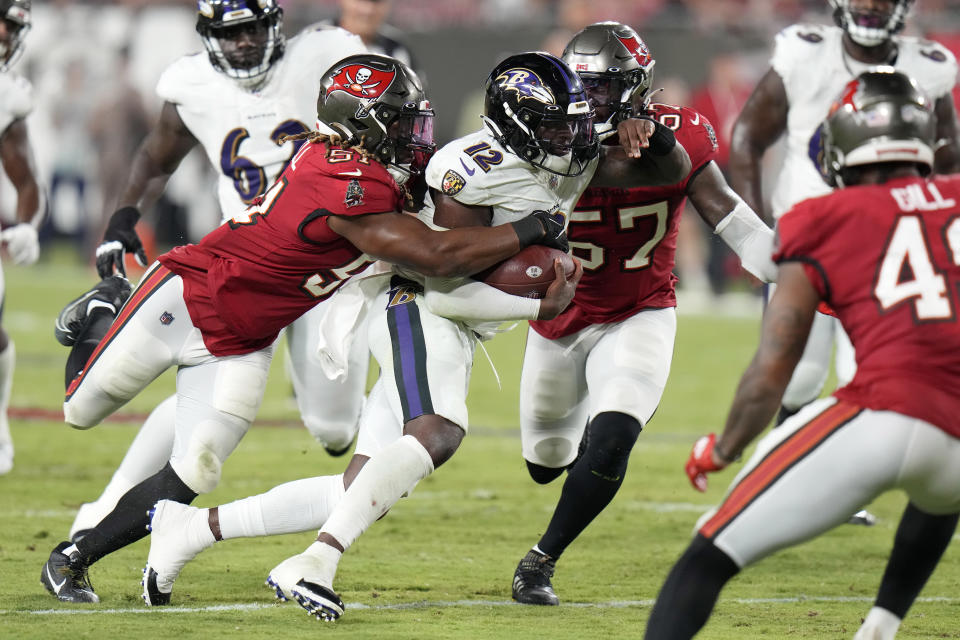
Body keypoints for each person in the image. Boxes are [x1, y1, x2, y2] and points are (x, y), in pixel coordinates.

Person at [141, 50, 691, 617]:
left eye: (574, 123)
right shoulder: (468, 173)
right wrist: (535, 303)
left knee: (356, 491)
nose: (570, 138)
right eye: (554, 125)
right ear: (516, 126)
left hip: (461, 322)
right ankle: (314, 562)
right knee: (438, 431)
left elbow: (670, 171)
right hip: (420, 301)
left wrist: (648, 133)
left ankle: (189, 529)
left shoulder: (566, 148)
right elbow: (446, 280)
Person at [38, 52, 576, 605]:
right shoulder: (339, 175)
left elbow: (449, 197)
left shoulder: (377, 166)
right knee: (79, 412)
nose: (413, 134)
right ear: (360, 122)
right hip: (190, 298)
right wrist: (533, 228)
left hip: (245, 341)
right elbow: (434, 254)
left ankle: (72, 558)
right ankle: (102, 314)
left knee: (195, 469)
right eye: (399, 120)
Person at [645, 69, 960, 640]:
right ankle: (881, 626)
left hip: (885, 414)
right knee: (940, 494)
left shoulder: (822, 219)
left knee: (707, 555)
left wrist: (723, 449)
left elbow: (773, 368)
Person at [60, 0, 370, 542]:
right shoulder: (191, 84)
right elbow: (157, 157)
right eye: (230, 34)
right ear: (206, 35)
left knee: (334, 429)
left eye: (252, 30)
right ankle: (105, 506)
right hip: (246, 264)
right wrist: (124, 216)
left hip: (332, 265)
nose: (243, 43)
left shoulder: (329, 54)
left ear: (276, 25)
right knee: (198, 400)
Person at [509, 22, 777, 607]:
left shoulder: (678, 132)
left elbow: (724, 211)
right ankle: (575, 439)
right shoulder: (541, 134)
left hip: (640, 310)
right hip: (557, 319)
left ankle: (540, 561)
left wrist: (786, 264)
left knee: (612, 438)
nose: (595, 102)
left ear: (638, 87)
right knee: (545, 460)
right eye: (586, 88)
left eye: (608, 89)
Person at [728, 0, 960, 428]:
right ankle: (796, 475)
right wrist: (756, 234)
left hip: (888, 248)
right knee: (798, 379)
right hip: (809, 241)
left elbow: (948, 168)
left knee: (874, 376)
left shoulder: (929, 68)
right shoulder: (806, 53)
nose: (871, 5)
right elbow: (747, 136)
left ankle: (851, 486)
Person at [0, 0, 42, 475]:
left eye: (10, 28)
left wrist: (28, 224)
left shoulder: (8, 93)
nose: (3, 37)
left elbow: (27, 180)